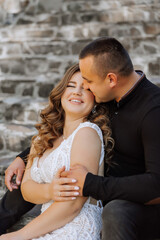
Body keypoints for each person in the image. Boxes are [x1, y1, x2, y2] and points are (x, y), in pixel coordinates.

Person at [1, 37, 160, 240]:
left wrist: (92, 184)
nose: (84, 87)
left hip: (138, 201)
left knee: (117, 212)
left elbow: (156, 184)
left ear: (111, 79)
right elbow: (65, 134)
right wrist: (23, 158)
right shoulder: (107, 95)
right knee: (28, 177)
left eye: (88, 83)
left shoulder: (153, 110)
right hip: (94, 179)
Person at [0, 63, 114, 239]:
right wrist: (49, 191)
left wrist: (17, 236)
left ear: (95, 99)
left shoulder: (87, 133)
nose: (77, 92)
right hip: (46, 225)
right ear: (61, 93)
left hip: (75, 227)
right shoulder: (42, 138)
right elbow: (27, 189)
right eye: (71, 85)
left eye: (85, 88)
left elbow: (74, 204)